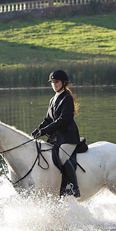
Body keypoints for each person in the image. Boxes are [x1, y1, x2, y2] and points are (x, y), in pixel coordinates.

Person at [31, 69, 82, 198]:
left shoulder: (67, 98)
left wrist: (44, 131)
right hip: (57, 137)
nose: (54, 84)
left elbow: (62, 121)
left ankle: (74, 187)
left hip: (68, 136)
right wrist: (38, 130)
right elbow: (48, 119)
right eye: (52, 82)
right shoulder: (53, 99)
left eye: (56, 82)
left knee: (62, 158)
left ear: (64, 83)